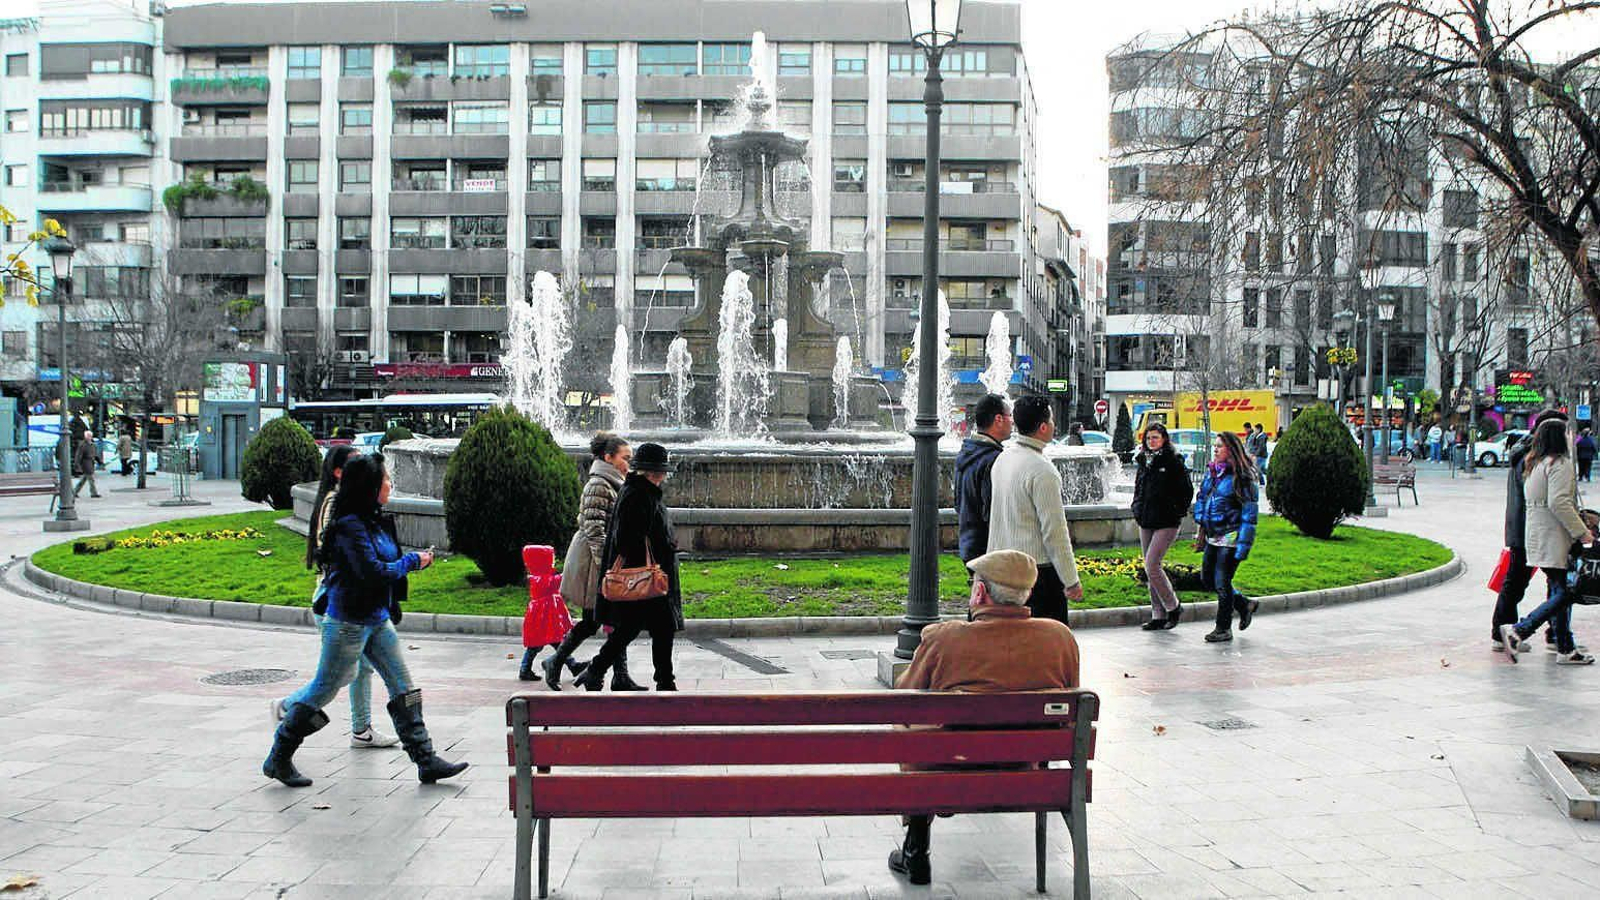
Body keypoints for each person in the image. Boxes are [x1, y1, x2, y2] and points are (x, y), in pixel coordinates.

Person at [262, 454, 467, 787]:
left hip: (376, 619)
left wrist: (398, 586)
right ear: (370, 486)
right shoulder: (348, 528)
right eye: (386, 480)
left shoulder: (373, 520)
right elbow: (372, 573)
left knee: (405, 687)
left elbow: (384, 567)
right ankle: (279, 756)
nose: (390, 484)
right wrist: (413, 561)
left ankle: (425, 759)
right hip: (347, 623)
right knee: (323, 690)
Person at [888, 549, 1082, 885]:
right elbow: (1068, 714)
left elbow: (905, 699)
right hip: (1028, 775)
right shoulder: (1059, 638)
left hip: (948, 771)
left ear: (980, 593)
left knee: (912, 730)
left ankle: (916, 846)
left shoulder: (945, 637)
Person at [272, 445, 398, 749]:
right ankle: (289, 709)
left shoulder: (349, 505)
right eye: (357, 464)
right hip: (338, 601)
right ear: (340, 472)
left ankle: (363, 729)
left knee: (358, 672)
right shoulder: (338, 505)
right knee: (334, 679)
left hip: (354, 602)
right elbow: (338, 551)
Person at [573, 442, 683, 692]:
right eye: (661, 470)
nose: (663, 475)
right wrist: (661, 548)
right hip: (643, 576)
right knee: (649, 628)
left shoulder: (641, 490)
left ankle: (599, 671)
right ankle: (663, 682)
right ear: (652, 472)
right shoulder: (638, 494)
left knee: (642, 628)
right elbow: (627, 539)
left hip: (647, 574)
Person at [539, 433, 643, 690]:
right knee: (603, 618)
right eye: (625, 458)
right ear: (608, 457)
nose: (628, 463)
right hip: (594, 561)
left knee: (603, 619)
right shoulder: (598, 484)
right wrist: (605, 567)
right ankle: (558, 661)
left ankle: (618, 676)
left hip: (602, 558)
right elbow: (594, 529)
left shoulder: (613, 481)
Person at [1499, 418, 1597, 665]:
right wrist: (1583, 533)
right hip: (1555, 536)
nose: (1570, 437)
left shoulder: (1534, 463)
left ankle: (1565, 647)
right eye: (1567, 433)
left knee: (1560, 589)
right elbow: (1559, 502)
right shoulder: (1559, 464)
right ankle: (1520, 630)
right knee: (1566, 592)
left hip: (1537, 535)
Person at [987, 394, 1083, 624]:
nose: (1053, 425)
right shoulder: (1042, 470)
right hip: (1037, 576)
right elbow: (1055, 532)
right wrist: (1071, 580)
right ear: (1042, 427)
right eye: (1050, 420)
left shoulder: (1003, 458)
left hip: (1002, 570)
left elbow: (997, 517)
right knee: (1046, 647)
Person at [1491, 410, 1566, 653]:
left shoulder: (1526, 452)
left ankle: (1553, 634)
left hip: (1524, 528)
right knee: (1525, 582)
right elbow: (1544, 496)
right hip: (1531, 529)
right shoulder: (1532, 457)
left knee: (1542, 582)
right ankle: (1506, 631)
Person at [1194, 431, 1259, 643]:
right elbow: (1203, 497)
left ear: (1230, 450)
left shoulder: (1242, 477)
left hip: (1231, 536)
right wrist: (1200, 520)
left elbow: (1250, 514)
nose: (1215, 449)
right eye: (1215, 446)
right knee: (1207, 579)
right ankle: (1242, 604)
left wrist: (1243, 546)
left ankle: (1223, 628)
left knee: (1222, 583)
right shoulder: (1213, 473)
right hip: (1214, 534)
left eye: (1220, 446)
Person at [1131, 423, 1192, 630]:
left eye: (1155, 437)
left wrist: (1176, 510)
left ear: (1164, 439)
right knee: (1150, 569)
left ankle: (1173, 606)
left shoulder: (1173, 462)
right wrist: (1137, 508)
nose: (1151, 442)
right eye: (1148, 438)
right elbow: (1139, 489)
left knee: (1152, 564)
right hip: (1146, 519)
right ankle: (1158, 614)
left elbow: (1186, 491)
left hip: (1166, 521)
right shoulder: (1143, 462)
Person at [953, 394, 1012, 565]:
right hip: (988, 553)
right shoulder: (992, 459)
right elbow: (993, 513)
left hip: (969, 546)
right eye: (1010, 415)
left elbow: (958, 503)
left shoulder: (967, 452)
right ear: (999, 419)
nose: (1012, 421)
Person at [73, 428, 100, 498]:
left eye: (90, 436)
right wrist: (77, 464)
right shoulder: (83, 445)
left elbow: (95, 454)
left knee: (83, 480)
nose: (89, 437)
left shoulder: (93, 445)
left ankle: (74, 491)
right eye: (88, 436)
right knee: (91, 479)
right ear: (85, 436)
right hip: (85, 463)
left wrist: (99, 460)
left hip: (91, 463)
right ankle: (94, 493)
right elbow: (79, 455)